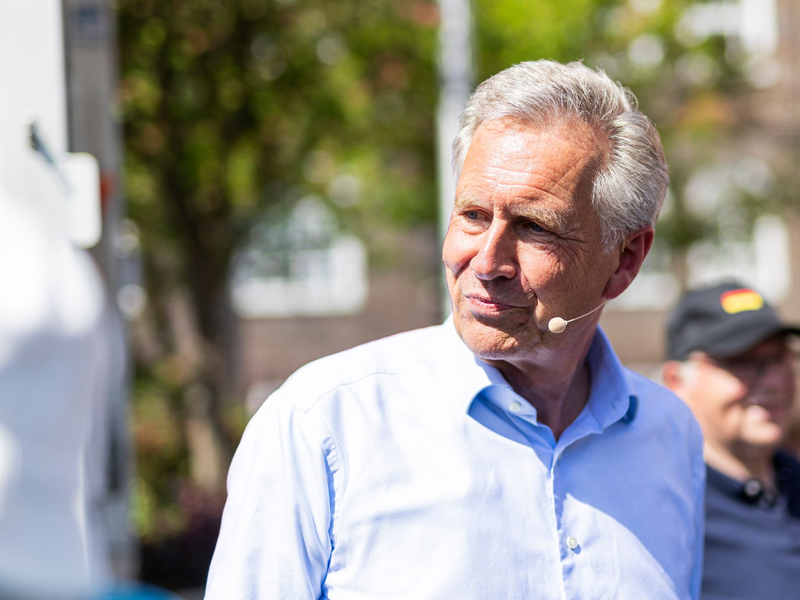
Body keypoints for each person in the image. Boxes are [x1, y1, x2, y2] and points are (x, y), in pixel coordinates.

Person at [205, 60, 704, 599]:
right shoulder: (323, 423)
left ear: (625, 259)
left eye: (535, 227)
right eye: (471, 215)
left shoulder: (670, 436)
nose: (485, 261)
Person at [662, 281, 800, 599]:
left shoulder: (792, 480)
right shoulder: (670, 507)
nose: (774, 381)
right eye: (743, 362)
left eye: (780, 358)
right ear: (677, 380)